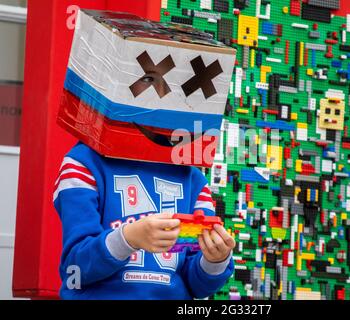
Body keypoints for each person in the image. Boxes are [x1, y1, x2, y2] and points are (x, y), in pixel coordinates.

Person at [54, 9, 237, 300]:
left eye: (174, 84)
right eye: (149, 80)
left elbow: (197, 285)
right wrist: (127, 239)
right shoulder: (83, 165)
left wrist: (215, 260)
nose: (162, 95)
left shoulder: (193, 180)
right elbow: (75, 269)